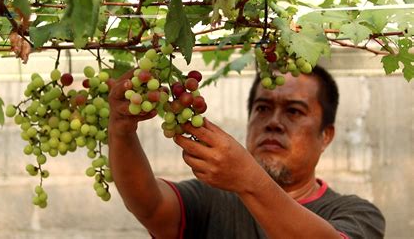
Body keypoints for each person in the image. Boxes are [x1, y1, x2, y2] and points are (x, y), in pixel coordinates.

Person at [107, 65, 385, 238]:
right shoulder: (211, 199)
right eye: (262, 108)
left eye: (294, 111)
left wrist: (249, 180)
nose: (274, 122)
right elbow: (149, 205)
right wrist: (120, 130)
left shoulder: (357, 214)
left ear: (326, 135)